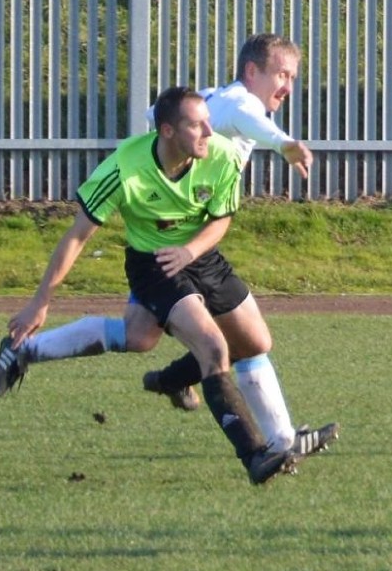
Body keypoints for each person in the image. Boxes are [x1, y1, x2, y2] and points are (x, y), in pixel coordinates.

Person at [0, 86, 295, 485]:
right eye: (196, 124)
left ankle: (30, 352)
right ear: (166, 131)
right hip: (155, 266)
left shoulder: (221, 155)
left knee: (246, 344)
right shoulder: (124, 167)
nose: (209, 130)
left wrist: (189, 250)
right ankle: (255, 455)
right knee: (214, 347)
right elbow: (77, 235)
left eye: (208, 121)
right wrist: (40, 301)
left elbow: (221, 219)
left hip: (201, 257)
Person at [138, 34, 338, 461]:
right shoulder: (238, 103)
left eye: (293, 77)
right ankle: (28, 348)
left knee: (237, 338)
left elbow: (150, 117)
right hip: (177, 246)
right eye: (282, 74)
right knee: (144, 335)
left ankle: (276, 435)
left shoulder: (216, 101)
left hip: (193, 240)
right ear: (252, 72)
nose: (287, 86)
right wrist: (284, 144)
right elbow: (255, 123)